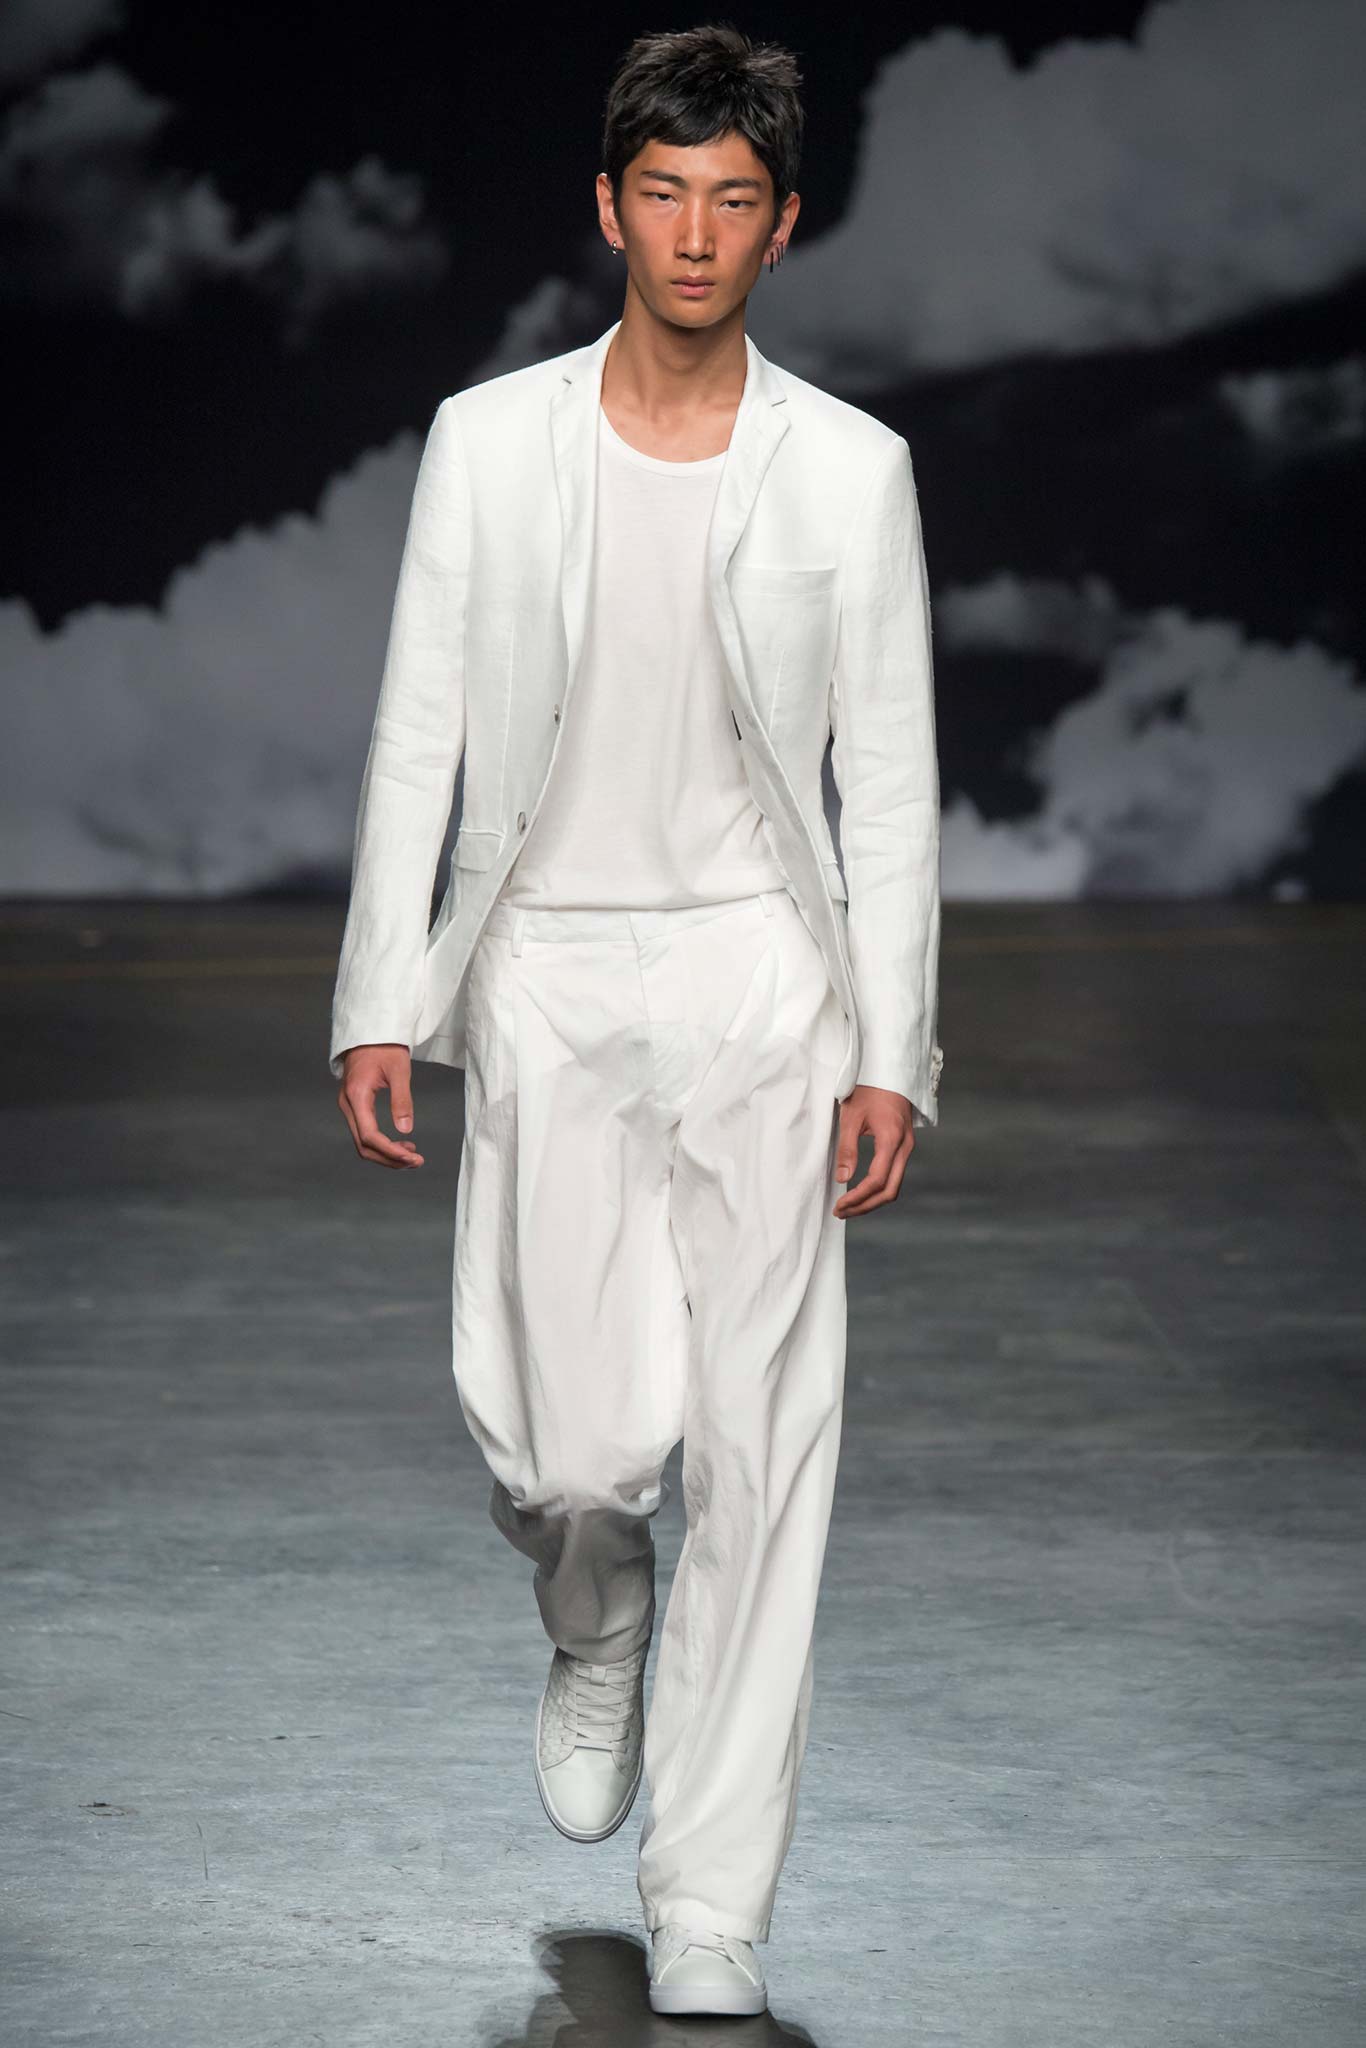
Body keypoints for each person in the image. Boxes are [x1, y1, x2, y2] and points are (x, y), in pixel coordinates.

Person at [330, 22, 942, 2021]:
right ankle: (594, 1615)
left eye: (729, 201)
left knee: (765, 1451)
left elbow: (887, 786)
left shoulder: (847, 470)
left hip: (765, 978)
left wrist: (889, 1046)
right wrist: (382, 995)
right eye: (661, 195)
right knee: (574, 1449)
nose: (692, 235)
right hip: (551, 968)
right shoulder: (488, 441)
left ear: (781, 224)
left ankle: (713, 1896)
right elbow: (420, 727)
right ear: (608, 208)